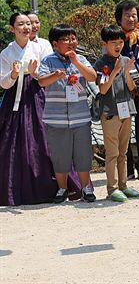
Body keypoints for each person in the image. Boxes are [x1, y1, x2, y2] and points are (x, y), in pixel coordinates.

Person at [0, 13, 57, 206]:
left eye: (28, 24)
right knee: (12, 141)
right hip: (14, 98)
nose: (26, 27)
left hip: (35, 94)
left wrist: (34, 72)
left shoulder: (40, 47)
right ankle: (12, 189)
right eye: (21, 24)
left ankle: (46, 186)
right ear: (12, 29)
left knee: (41, 137)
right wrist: (13, 74)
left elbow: (46, 75)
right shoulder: (7, 53)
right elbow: (4, 83)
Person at [38, 24, 97, 203]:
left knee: (83, 154)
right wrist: (55, 75)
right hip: (56, 118)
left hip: (81, 116)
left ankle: (86, 188)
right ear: (55, 44)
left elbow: (92, 77)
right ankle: (62, 189)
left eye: (73, 38)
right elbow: (41, 81)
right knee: (59, 155)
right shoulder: (47, 61)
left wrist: (76, 62)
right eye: (66, 39)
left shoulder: (81, 59)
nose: (71, 43)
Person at [93, 25, 139, 202]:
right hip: (110, 113)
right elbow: (104, 88)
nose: (118, 46)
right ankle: (112, 189)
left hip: (126, 110)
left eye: (121, 42)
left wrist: (127, 72)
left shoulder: (127, 60)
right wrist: (114, 72)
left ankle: (124, 186)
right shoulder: (100, 64)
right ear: (105, 43)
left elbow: (132, 87)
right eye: (114, 42)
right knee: (112, 153)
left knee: (124, 152)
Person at [115, 0, 139, 181]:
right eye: (127, 15)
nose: (131, 19)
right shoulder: (114, 37)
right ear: (119, 18)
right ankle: (127, 166)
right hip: (122, 88)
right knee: (123, 128)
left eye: (134, 15)